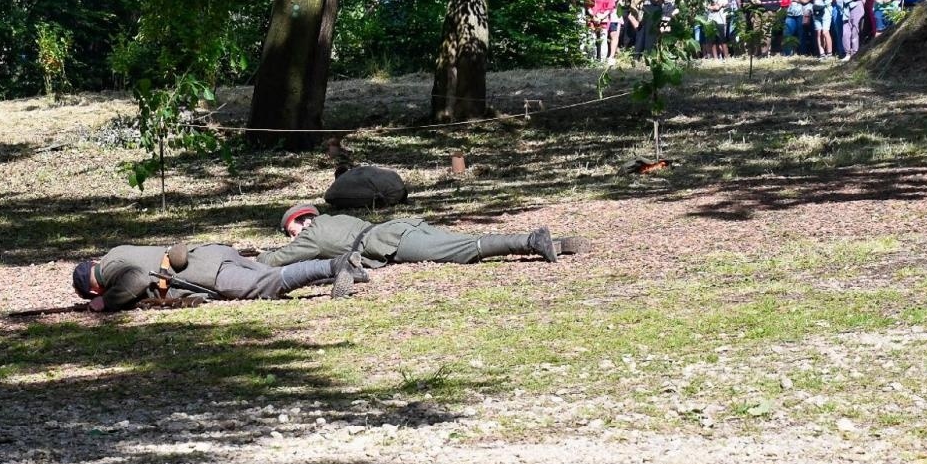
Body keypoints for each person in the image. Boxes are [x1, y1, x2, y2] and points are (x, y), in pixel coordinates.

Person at [73, 242, 367, 312]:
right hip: (211, 254)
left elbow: (136, 280)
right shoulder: (115, 252)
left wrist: (105, 303)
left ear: (92, 286)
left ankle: (336, 266)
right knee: (272, 274)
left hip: (207, 273)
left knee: (272, 283)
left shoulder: (109, 272)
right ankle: (346, 267)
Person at [260, 204, 569, 269]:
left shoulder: (312, 235)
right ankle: (555, 245)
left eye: (293, 231)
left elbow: (278, 259)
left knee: (461, 249)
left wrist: (249, 257)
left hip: (391, 241)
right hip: (401, 227)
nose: (294, 237)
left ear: (302, 220)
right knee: (464, 240)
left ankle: (531, 241)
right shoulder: (333, 218)